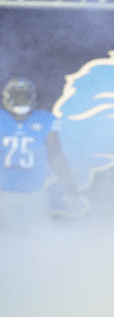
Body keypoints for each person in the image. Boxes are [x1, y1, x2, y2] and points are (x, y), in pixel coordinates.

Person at [0, 77, 82, 221]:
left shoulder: (45, 120)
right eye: (17, 96)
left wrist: (70, 186)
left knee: (36, 232)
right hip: (4, 195)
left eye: (24, 96)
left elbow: (56, 157)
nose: (21, 100)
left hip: (34, 194)